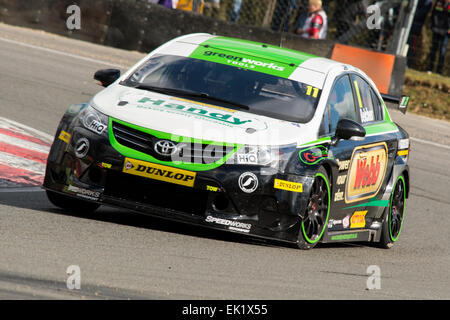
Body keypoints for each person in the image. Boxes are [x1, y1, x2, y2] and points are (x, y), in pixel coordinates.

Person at [428, 0, 449, 74]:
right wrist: (433, 25)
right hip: (436, 29)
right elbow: (433, 13)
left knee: (442, 51)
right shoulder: (439, 2)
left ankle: (439, 71)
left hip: (446, 31)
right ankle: (430, 69)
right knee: (434, 49)